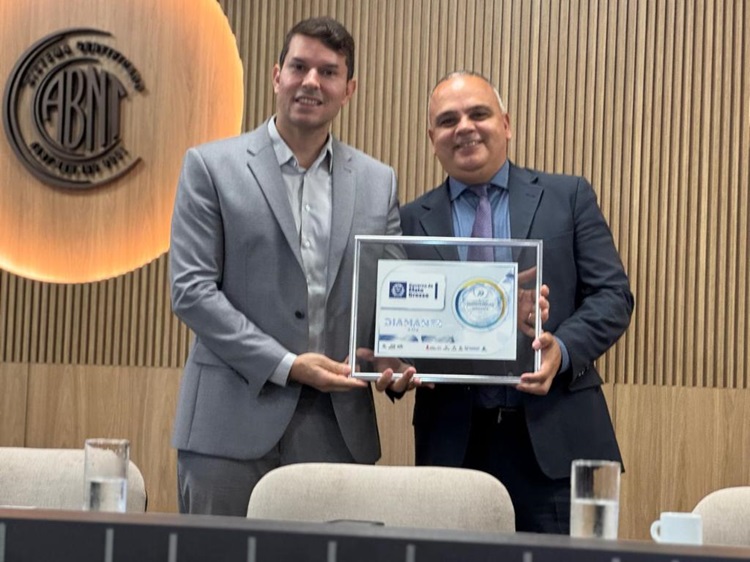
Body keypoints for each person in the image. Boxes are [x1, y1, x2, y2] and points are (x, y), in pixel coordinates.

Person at [169, 16, 415, 516]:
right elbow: (192, 291)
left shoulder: (378, 182)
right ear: (276, 75)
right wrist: (286, 364)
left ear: (349, 89)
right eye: (299, 67)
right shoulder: (210, 167)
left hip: (338, 430)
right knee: (217, 554)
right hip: (228, 428)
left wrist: (399, 357)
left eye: (328, 72)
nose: (311, 81)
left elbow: (391, 295)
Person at [399, 71, 634, 533]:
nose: (464, 127)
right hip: (454, 448)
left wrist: (560, 349)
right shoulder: (409, 220)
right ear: (432, 139)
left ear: (505, 124)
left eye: (478, 114)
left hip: (559, 442)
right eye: (447, 120)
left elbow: (613, 296)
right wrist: (393, 363)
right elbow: (403, 324)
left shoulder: (568, 196)